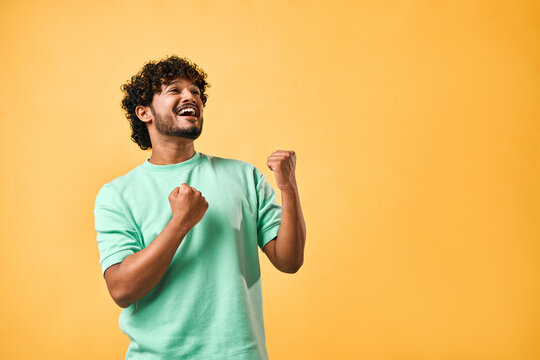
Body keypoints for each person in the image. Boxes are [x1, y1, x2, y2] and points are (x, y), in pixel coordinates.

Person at [93, 55, 306, 360]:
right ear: (144, 112)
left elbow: (290, 260)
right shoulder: (117, 194)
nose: (190, 96)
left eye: (195, 91)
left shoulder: (243, 176)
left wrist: (288, 187)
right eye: (174, 90)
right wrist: (180, 222)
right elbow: (122, 290)